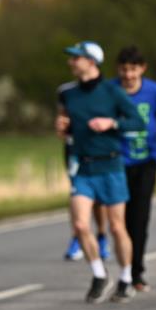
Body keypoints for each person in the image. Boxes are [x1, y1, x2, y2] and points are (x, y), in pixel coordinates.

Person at [55, 41, 143, 302]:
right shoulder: (67, 93)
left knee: (117, 227)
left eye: (76, 58)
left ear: (91, 62)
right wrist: (62, 128)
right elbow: (66, 128)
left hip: (111, 166)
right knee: (81, 224)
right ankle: (99, 274)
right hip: (83, 166)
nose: (71, 62)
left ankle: (126, 278)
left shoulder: (112, 92)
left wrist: (111, 122)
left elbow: (137, 121)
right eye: (71, 58)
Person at [113, 46, 156, 299]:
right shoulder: (110, 91)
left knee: (138, 219)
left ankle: (136, 271)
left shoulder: (154, 90)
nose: (128, 75)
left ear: (142, 68)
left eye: (132, 69)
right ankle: (125, 271)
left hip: (146, 162)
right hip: (116, 163)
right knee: (118, 221)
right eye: (123, 70)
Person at [58, 82, 111, 262]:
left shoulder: (105, 91)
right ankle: (77, 237)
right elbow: (62, 122)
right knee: (76, 194)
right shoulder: (66, 92)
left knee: (98, 198)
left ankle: (102, 236)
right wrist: (62, 126)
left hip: (97, 150)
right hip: (74, 151)